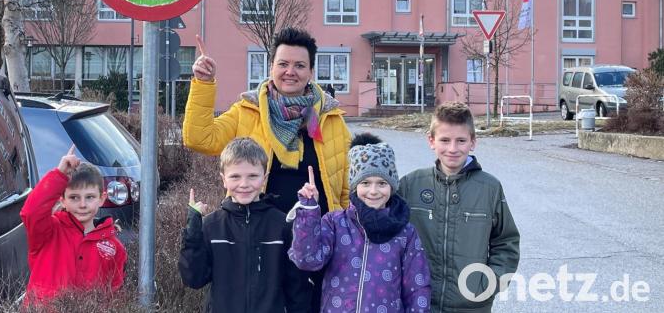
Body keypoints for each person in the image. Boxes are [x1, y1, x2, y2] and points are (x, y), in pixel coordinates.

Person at [183, 27, 351, 215]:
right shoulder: (247, 111)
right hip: (257, 236)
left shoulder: (331, 119)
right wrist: (204, 84)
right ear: (271, 67)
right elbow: (199, 138)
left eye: (300, 65)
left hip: (319, 236)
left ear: (311, 71)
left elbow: (344, 191)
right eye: (283, 64)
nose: (290, 71)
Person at [397, 101, 520, 312]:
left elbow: (506, 241)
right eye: (445, 140)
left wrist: (488, 284)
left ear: (473, 142)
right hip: (419, 303)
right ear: (431, 141)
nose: (452, 149)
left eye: (461, 140)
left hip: (472, 306)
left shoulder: (489, 188)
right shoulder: (410, 184)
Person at [288, 138, 431, 313]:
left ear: (392, 187)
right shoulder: (334, 223)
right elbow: (307, 260)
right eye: (365, 183)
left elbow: (417, 289)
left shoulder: (406, 233)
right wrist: (309, 211)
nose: (373, 191)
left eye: (382, 183)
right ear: (355, 186)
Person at [178, 138, 310, 313]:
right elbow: (194, 279)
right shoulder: (211, 226)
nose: (244, 184)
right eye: (235, 176)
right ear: (223, 179)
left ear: (265, 178)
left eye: (252, 176)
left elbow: (297, 288)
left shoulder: (283, 226)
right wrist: (192, 234)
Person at [20, 145, 127, 305]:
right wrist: (59, 174)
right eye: (74, 197)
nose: (82, 204)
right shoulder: (49, 232)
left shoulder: (113, 247)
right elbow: (31, 212)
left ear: (102, 198)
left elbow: (115, 295)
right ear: (62, 200)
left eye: (90, 197)